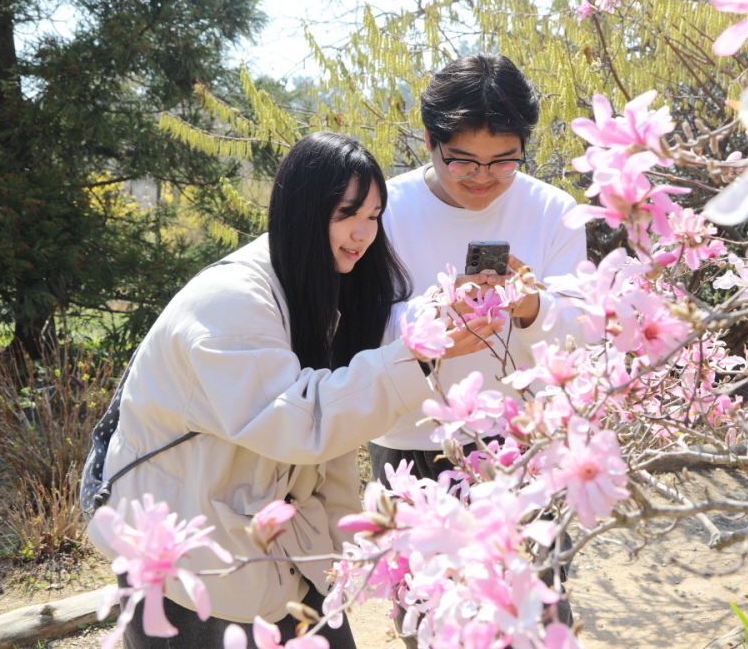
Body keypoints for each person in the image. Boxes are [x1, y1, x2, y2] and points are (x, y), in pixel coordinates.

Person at [84, 132, 503, 649]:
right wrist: (417, 356)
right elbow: (301, 423)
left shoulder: (312, 283)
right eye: (347, 213)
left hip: (264, 553)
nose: (363, 233)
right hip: (189, 559)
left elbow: (328, 449)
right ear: (302, 210)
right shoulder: (231, 304)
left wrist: (349, 551)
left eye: (374, 216)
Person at [367, 52, 587, 635]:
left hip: (522, 439)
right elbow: (354, 330)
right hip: (412, 439)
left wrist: (536, 306)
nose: (484, 178)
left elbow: (589, 329)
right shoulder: (383, 212)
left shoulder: (552, 210)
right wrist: (433, 316)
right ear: (428, 139)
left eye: (504, 161)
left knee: (530, 607)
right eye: (462, 161)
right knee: (428, 613)